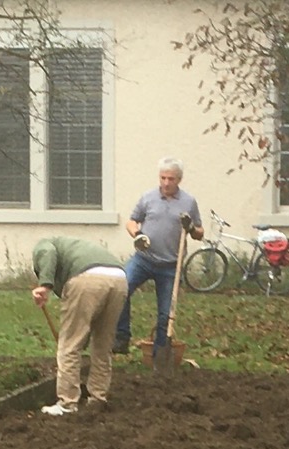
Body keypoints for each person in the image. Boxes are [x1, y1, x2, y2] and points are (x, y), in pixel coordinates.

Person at [112, 157, 203, 357]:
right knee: (120, 289)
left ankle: (160, 354)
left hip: (171, 266)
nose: (166, 183)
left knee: (165, 314)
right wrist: (137, 234)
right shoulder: (148, 198)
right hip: (143, 259)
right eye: (163, 178)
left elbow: (199, 232)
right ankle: (121, 337)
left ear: (179, 179)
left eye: (171, 178)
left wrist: (190, 228)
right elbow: (132, 221)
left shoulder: (188, 202)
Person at [31, 236, 128, 416]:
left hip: (86, 279)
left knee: (69, 345)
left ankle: (67, 403)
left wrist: (44, 285)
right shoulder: (75, 247)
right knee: (103, 344)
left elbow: (47, 252)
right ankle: (98, 398)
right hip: (119, 278)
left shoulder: (43, 245)